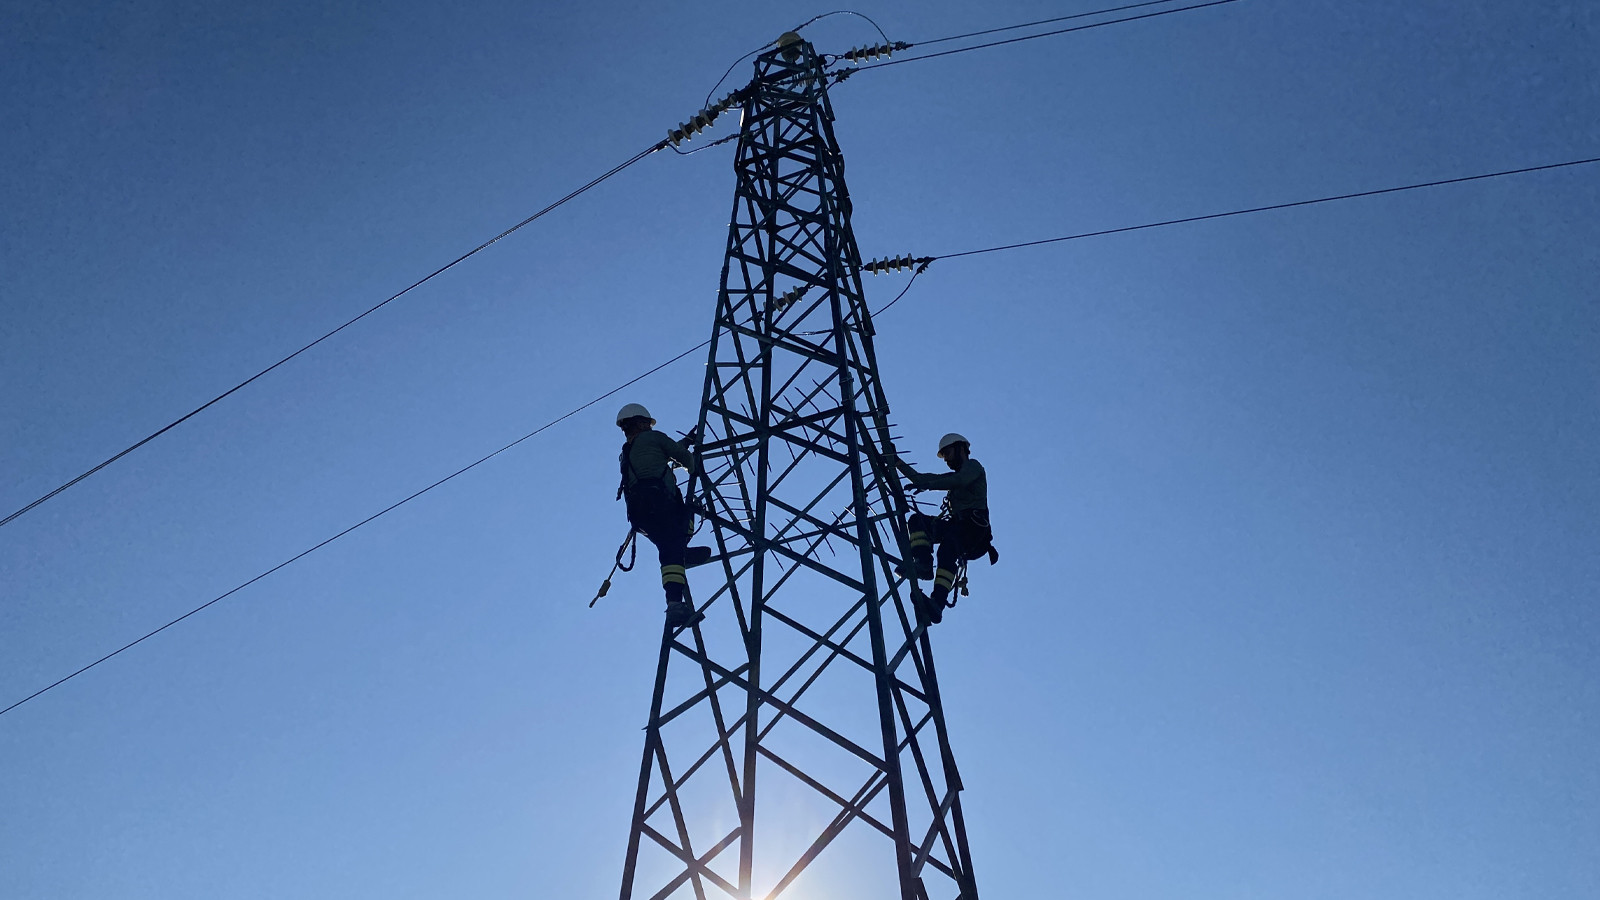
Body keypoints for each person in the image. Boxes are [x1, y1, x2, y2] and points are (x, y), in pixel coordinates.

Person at [616, 402, 711, 629]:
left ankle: (682, 555)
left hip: (641, 515)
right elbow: (680, 457)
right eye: (647, 423)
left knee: (670, 546)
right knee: (673, 545)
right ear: (640, 422)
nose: (649, 427)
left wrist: (687, 442)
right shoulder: (653, 438)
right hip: (661, 505)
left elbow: (660, 460)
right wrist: (696, 467)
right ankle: (675, 605)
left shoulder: (626, 452)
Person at [894, 432, 997, 625]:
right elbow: (922, 477)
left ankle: (937, 604)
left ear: (960, 449)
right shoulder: (955, 476)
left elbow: (958, 481)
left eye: (948, 453)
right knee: (917, 521)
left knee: (948, 548)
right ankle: (923, 564)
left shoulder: (973, 467)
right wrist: (897, 463)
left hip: (974, 531)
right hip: (956, 527)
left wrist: (928, 485)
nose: (947, 460)